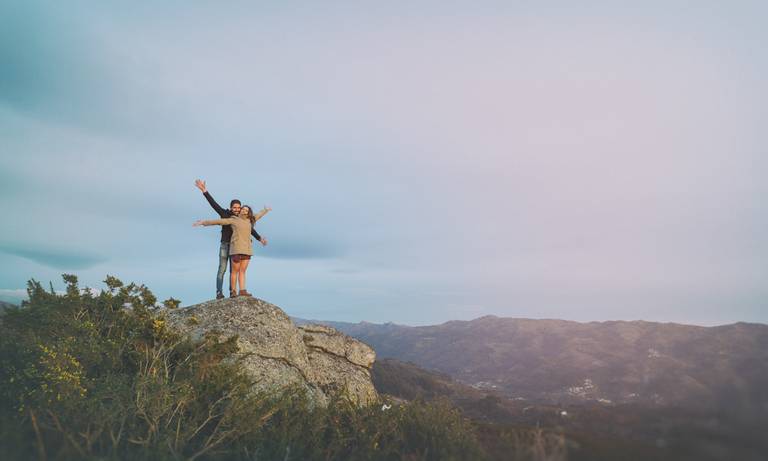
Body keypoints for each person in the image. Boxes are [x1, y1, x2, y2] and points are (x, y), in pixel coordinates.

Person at [194, 179, 268, 299]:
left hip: (237, 247)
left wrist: (259, 238)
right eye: (235, 207)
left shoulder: (242, 218)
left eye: (239, 207)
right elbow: (214, 205)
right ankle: (219, 292)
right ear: (231, 207)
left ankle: (232, 292)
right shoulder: (225, 214)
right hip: (226, 245)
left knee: (232, 271)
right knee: (222, 269)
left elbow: (249, 229)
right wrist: (204, 191)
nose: (237, 209)